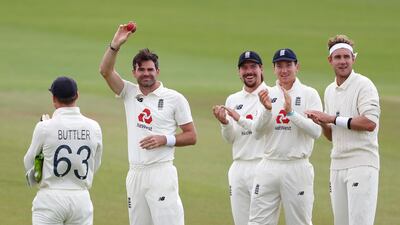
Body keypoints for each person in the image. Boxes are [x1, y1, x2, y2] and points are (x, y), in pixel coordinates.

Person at [99, 22, 197, 225]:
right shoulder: (129, 92)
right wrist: (115, 44)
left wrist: (165, 139)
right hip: (135, 173)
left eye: (150, 69)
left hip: (161, 172)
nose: (146, 73)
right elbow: (105, 71)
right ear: (134, 72)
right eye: (141, 69)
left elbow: (191, 135)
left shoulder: (174, 98)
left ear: (158, 71)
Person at [305, 35, 380, 225]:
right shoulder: (330, 90)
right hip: (337, 164)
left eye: (346, 57)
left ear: (353, 58)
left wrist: (331, 118)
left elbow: (370, 122)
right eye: (337, 57)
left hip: (361, 163)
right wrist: (322, 122)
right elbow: (332, 135)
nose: (343, 61)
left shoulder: (364, 85)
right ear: (330, 60)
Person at [248, 48, 322, 225]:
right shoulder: (267, 94)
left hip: (296, 166)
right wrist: (266, 110)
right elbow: (257, 133)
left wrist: (291, 114)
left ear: (297, 66)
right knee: (257, 222)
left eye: (288, 65)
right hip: (268, 165)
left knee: (299, 222)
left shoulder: (309, 94)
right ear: (273, 69)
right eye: (279, 66)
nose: (284, 70)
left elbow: (316, 131)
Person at [23, 76, 103, 225]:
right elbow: (95, 164)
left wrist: (38, 175)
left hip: (50, 199)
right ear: (77, 95)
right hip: (81, 200)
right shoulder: (94, 127)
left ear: (54, 98)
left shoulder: (44, 127)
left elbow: (28, 161)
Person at [212, 51, 271, 225]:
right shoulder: (233, 99)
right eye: (244, 67)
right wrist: (225, 123)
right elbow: (230, 138)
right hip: (238, 166)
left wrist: (238, 118)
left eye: (253, 66)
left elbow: (260, 130)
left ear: (261, 69)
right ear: (239, 72)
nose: (249, 71)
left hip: (262, 164)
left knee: (260, 222)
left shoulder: (271, 95)